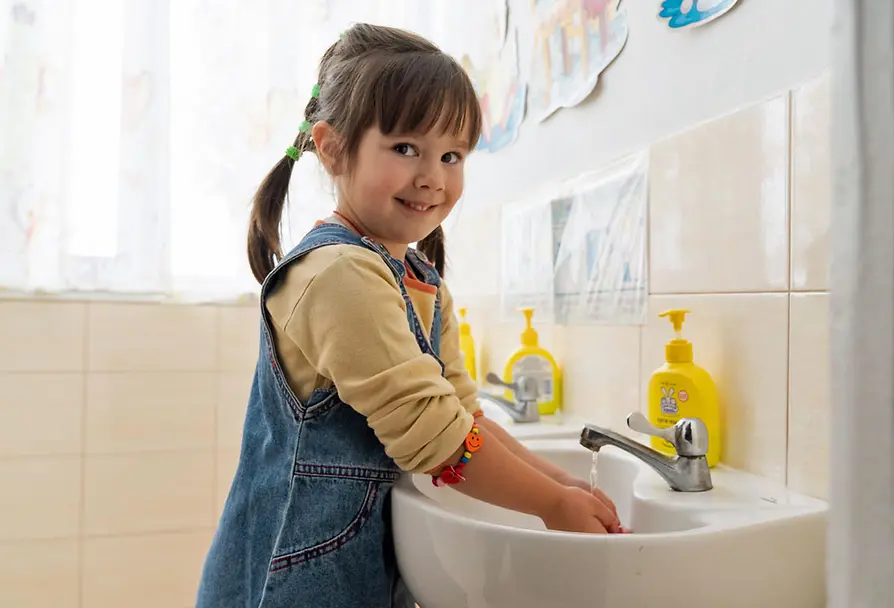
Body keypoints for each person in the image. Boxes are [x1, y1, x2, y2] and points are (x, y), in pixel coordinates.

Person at [196, 23, 625, 608]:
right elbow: (439, 440)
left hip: (354, 567)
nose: (432, 176)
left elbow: (460, 416)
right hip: (293, 579)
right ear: (332, 148)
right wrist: (550, 505)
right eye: (405, 149)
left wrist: (558, 481)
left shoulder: (420, 278)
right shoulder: (338, 274)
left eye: (452, 155)